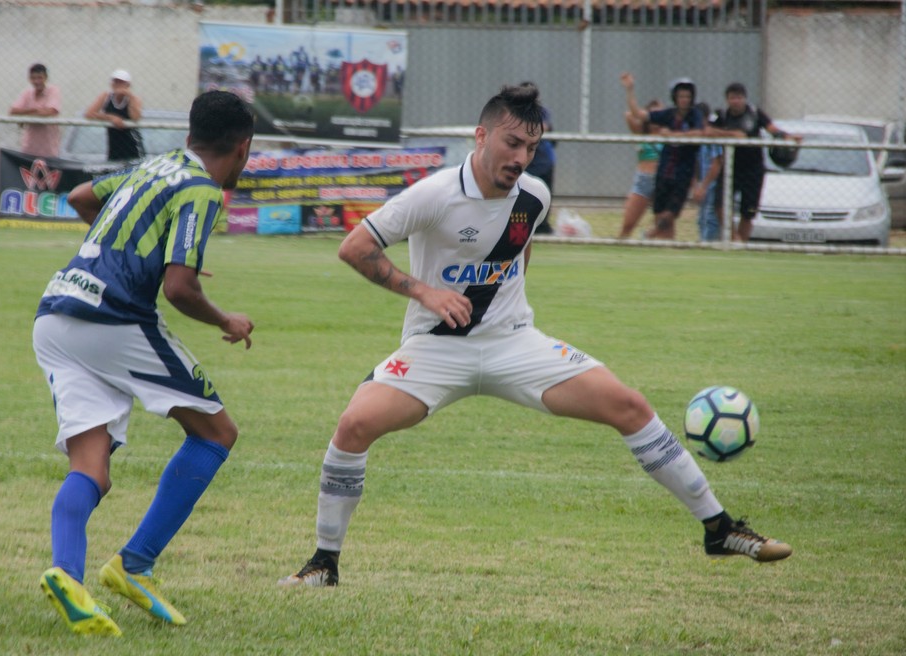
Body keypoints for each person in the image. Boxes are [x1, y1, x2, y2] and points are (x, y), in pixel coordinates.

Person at [277, 84, 792, 589]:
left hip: (515, 345)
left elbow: (519, 250)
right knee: (353, 426)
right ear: (480, 136)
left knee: (629, 406)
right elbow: (354, 247)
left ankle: (719, 528)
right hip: (436, 348)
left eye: (531, 146)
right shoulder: (433, 195)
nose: (522, 156)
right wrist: (426, 294)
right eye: (511, 143)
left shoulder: (535, 195)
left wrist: (508, 305)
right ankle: (324, 564)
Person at [34, 90, 255, 636]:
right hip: (112, 322)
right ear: (245, 148)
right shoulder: (203, 189)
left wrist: (116, 253)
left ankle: (67, 574)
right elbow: (181, 289)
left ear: (188, 136)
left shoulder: (156, 165)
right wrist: (227, 319)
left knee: (92, 470)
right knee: (215, 433)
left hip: (56, 314)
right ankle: (133, 565)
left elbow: (83, 196)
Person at [706, 82, 800, 241]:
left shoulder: (755, 113)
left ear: (745, 98)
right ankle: (733, 238)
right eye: (732, 98)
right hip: (730, 167)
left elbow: (773, 130)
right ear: (727, 99)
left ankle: (741, 244)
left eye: (739, 97)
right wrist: (731, 135)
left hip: (753, 169)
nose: (736, 101)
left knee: (748, 212)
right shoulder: (721, 115)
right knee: (720, 205)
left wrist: (789, 137)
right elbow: (707, 131)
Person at [622, 72, 706, 240]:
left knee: (669, 216)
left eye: (687, 96)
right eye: (681, 96)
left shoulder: (694, 115)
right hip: (663, 173)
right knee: (660, 218)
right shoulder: (668, 115)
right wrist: (630, 90)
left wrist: (674, 136)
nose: (684, 100)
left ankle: (647, 235)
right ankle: (659, 243)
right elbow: (638, 115)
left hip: (682, 175)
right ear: (675, 97)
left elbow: (700, 133)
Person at [617, 93, 664, 239]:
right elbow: (628, 115)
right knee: (628, 225)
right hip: (644, 180)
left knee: (663, 225)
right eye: (653, 112)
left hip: (663, 180)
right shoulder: (641, 133)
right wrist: (629, 89)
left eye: (660, 113)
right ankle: (619, 250)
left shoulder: (668, 133)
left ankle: (647, 237)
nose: (657, 116)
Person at [85, 69, 144, 162]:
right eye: (115, 82)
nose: (118, 85)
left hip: (132, 145)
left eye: (121, 82)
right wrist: (110, 117)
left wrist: (130, 96)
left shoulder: (134, 99)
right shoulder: (106, 96)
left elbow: (135, 117)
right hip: (114, 146)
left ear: (128, 85)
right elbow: (89, 114)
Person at [521, 81, 556, 234]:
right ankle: (525, 226)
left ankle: (542, 226)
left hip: (544, 162)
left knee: (545, 194)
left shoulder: (540, 111)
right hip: (526, 163)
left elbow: (545, 126)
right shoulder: (514, 112)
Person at [8, 63, 62, 158]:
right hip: (28, 148)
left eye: (40, 78)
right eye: (33, 78)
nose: (37, 81)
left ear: (46, 78)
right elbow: (13, 111)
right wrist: (35, 110)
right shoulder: (27, 93)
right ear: (29, 79)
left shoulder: (54, 91)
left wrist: (25, 113)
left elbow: (51, 111)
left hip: (49, 149)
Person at [692, 102, 724, 242]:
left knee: (711, 218)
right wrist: (696, 187)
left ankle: (708, 245)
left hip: (713, 185)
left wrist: (703, 186)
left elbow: (716, 164)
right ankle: (702, 243)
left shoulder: (712, 137)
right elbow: (693, 164)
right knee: (701, 219)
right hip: (703, 185)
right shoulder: (696, 137)